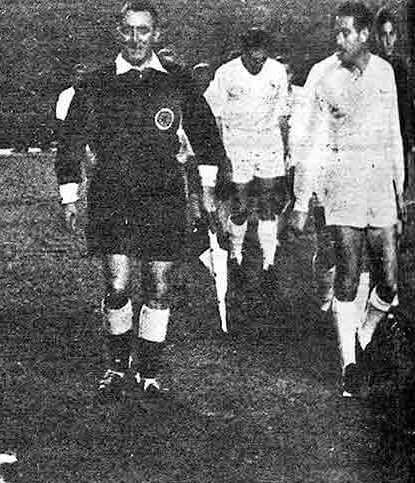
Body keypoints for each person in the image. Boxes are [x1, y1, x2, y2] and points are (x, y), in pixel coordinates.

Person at [56, 1, 223, 398]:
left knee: (159, 287)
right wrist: (69, 196)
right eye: (128, 30)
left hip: (163, 195)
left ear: (156, 34)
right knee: (117, 286)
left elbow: (206, 136)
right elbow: (71, 142)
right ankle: (117, 368)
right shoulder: (96, 82)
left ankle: (149, 373)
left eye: (143, 30)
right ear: (119, 32)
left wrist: (208, 190)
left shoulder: (177, 80)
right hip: (112, 195)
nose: (135, 39)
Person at [289, 2, 405, 398]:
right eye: (336, 32)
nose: (338, 39)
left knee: (389, 281)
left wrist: (399, 190)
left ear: (364, 35)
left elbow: (393, 133)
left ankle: (364, 331)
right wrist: (302, 200)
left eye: (345, 32)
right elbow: (311, 143)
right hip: (342, 186)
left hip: (380, 187)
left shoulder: (385, 73)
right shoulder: (324, 77)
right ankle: (349, 366)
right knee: (349, 275)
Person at [203, 28, 291, 300]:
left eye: (262, 54)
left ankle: (269, 264)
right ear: (244, 51)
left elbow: (283, 114)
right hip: (237, 144)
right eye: (253, 53)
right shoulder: (226, 73)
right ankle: (236, 257)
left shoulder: (277, 71)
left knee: (267, 205)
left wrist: (285, 149)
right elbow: (214, 114)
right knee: (240, 206)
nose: (257, 59)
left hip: (268, 143)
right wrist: (221, 154)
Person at [376, 9, 413, 197]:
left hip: (399, 135)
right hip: (380, 138)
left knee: (401, 187)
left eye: (391, 34)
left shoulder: (402, 66)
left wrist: (409, 138)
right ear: (377, 37)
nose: (388, 40)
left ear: (396, 36)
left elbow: (407, 104)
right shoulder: (373, 67)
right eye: (384, 35)